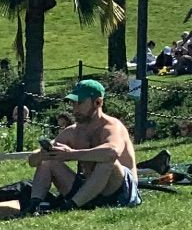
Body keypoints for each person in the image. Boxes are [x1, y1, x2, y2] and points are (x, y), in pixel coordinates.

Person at [22, 79, 141, 215]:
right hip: (88, 191)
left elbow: (112, 152)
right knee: (48, 160)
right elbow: (32, 161)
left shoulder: (112, 126)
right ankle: (33, 206)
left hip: (119, 192)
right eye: (73, 103)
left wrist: (71, 154)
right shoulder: (73, 131)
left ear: (98, 103)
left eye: (80, 103)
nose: (75, 109)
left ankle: (70, 207)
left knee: (106, 160)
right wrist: (42, 154)